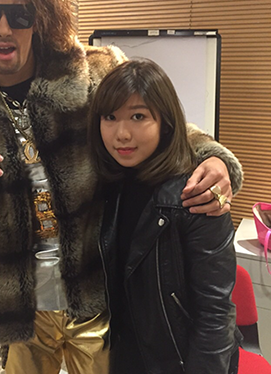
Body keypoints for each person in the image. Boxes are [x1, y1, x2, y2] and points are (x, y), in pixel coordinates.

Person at [0, 0, 243, 373]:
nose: (4, 29)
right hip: (17, 316)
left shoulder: (93, 74)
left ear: (39, 16)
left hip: (97, 299)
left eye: (19, 15)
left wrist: (213, 156)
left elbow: (162, 126)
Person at [88, 58, 241, 374]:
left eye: (138, 116)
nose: (122, 134)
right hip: (119, 356)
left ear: (166, 122)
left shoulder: (196, 196)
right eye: (110, 117)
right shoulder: (106, 186)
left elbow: (215, 315)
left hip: (177, 362)